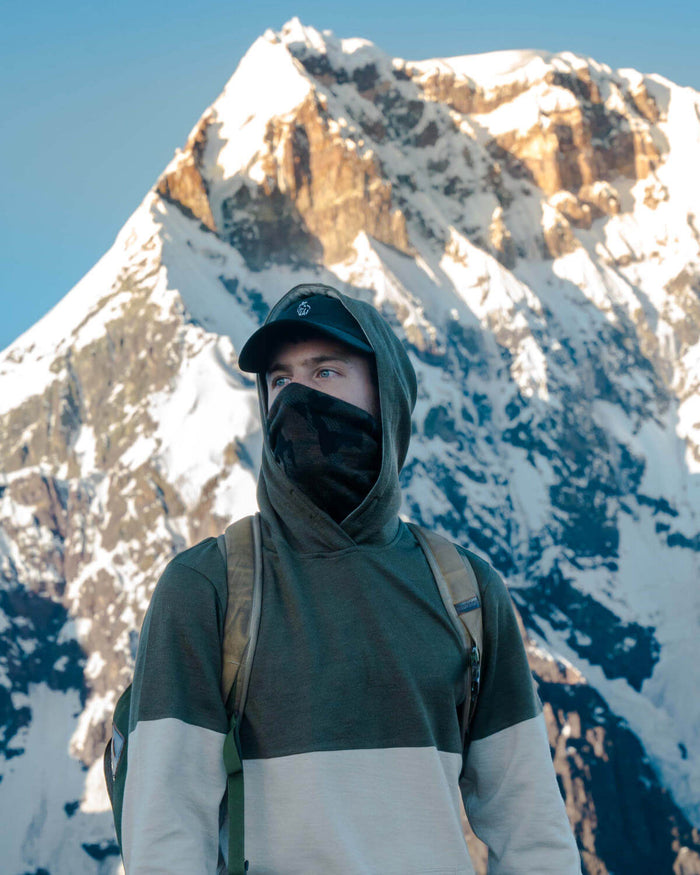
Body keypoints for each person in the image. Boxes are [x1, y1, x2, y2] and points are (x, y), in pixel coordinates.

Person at [121, 283, 581, 873]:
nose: (297, 398)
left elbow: (532, 828)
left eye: (326, 372)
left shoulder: (465, 590)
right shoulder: (208, 587)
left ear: (385, 395)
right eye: (280, 381)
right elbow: (165, 836)